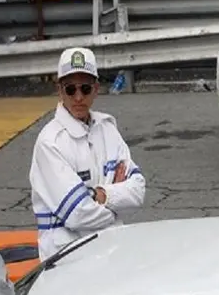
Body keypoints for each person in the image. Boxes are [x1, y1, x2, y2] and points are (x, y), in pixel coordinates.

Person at [30, 47, 146, 260]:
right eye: (70, 89)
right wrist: (117, 207)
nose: (78, 97)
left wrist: (98, 194)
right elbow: (77, 214)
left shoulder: (108, 129)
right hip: (67, 258)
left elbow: (138, 190)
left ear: (96, 89)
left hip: (112, 251)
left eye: (85, 88)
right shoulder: (50, 143)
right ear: (60, 90)